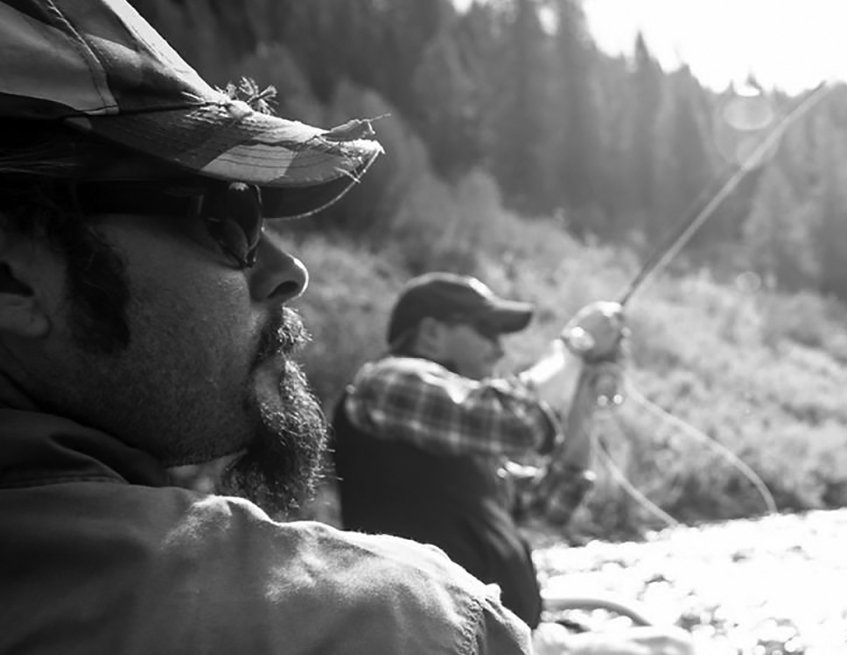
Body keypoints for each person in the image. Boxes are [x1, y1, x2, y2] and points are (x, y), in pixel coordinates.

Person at [0, 1, 532, 653]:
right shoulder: (418, 622)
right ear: (12, 274)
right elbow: (515, 422)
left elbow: (544, 496)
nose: (290, 271)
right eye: (228, 217)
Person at [333, 274, 694, 655]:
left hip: (511, 638)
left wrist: (584, 397)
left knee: (675, 644)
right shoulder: (388, 383)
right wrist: (576, 346)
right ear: (431, 335)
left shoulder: (457, 440)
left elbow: (553, 501)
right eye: (487, 331)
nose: (498, 350)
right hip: (445, 643)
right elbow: (516, 421)